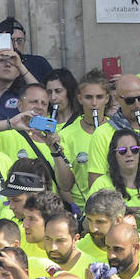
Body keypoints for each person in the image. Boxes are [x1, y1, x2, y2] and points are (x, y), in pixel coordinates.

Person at [58, 70, 111, 205]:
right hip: (84, 207)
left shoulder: (118, 130)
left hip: (116, 203)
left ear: (107, 98)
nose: (94, 103)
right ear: (80, 98)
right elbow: (65, 185)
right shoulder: (66, 135)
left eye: (99, 97)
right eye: (88, 97)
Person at [87, 127, 140, 221]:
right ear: (114, 155)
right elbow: (86, 223)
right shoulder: (102, 184)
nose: (129, 154)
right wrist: (123, 213)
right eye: (123, 151)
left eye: (134, 149)